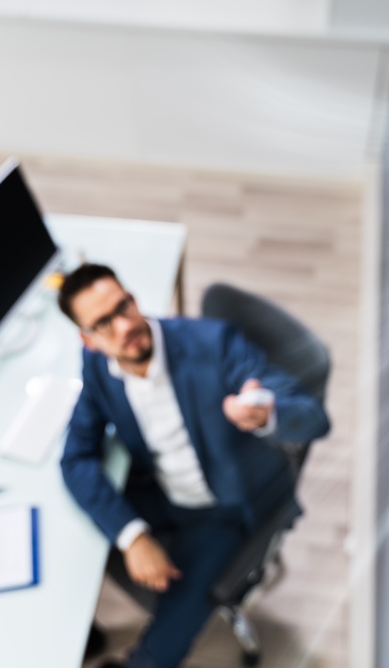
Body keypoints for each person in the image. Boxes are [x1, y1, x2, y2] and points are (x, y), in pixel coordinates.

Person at [58, 263, 330, 668]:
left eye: (124, 306)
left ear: (133, 297)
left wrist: (269, 412)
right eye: (104, 323)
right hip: (159, 486)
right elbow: (76, 456)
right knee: (67, 537)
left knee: (158, 652)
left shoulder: (213, 344)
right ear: (88, 340)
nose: (124, 326)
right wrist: (132, 536)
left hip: (222, 507)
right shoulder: (98, 366)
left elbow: (313, 418)